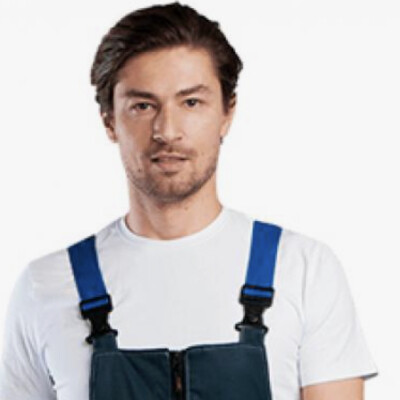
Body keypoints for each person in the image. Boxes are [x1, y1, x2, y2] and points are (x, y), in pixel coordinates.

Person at [0, 2, 378, 400]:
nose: (167, 130)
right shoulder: (45, 286)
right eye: (143, 106)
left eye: (191, 102)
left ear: (227, 113)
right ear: (110, 121)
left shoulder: (303, 270)